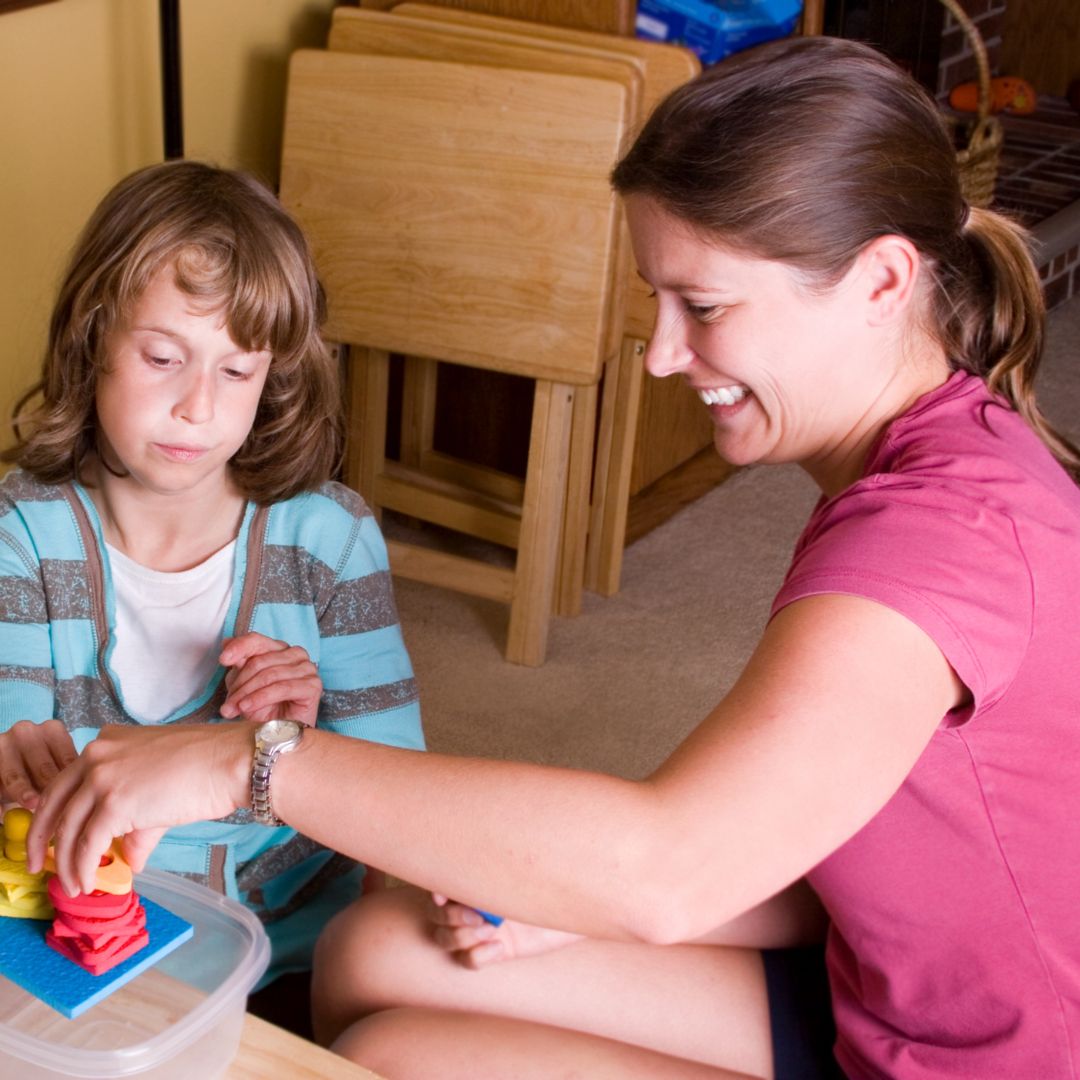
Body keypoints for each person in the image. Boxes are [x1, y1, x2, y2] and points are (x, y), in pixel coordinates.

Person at [25, 36, 1080, 1079]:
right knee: (376, 948)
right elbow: (837, 849)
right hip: (872, 981)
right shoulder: (920, 463)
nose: (663, 353)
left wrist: (243, 761)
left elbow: (669, 867)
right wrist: (553, 908)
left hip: (975, 1059)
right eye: (657, 300)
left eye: (703, 307)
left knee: (404, 1051)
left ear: (884, 279)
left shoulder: (938, 544)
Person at [0, 161, 424, 1010]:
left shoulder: (330, 540)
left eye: (237, 373)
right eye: (163, 357)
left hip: (296, 951)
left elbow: (405, 806)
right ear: (92, 340)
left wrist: (302, 747)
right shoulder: (21, 536)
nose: (199, 407)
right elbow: (26, 791)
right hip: (87, 953)